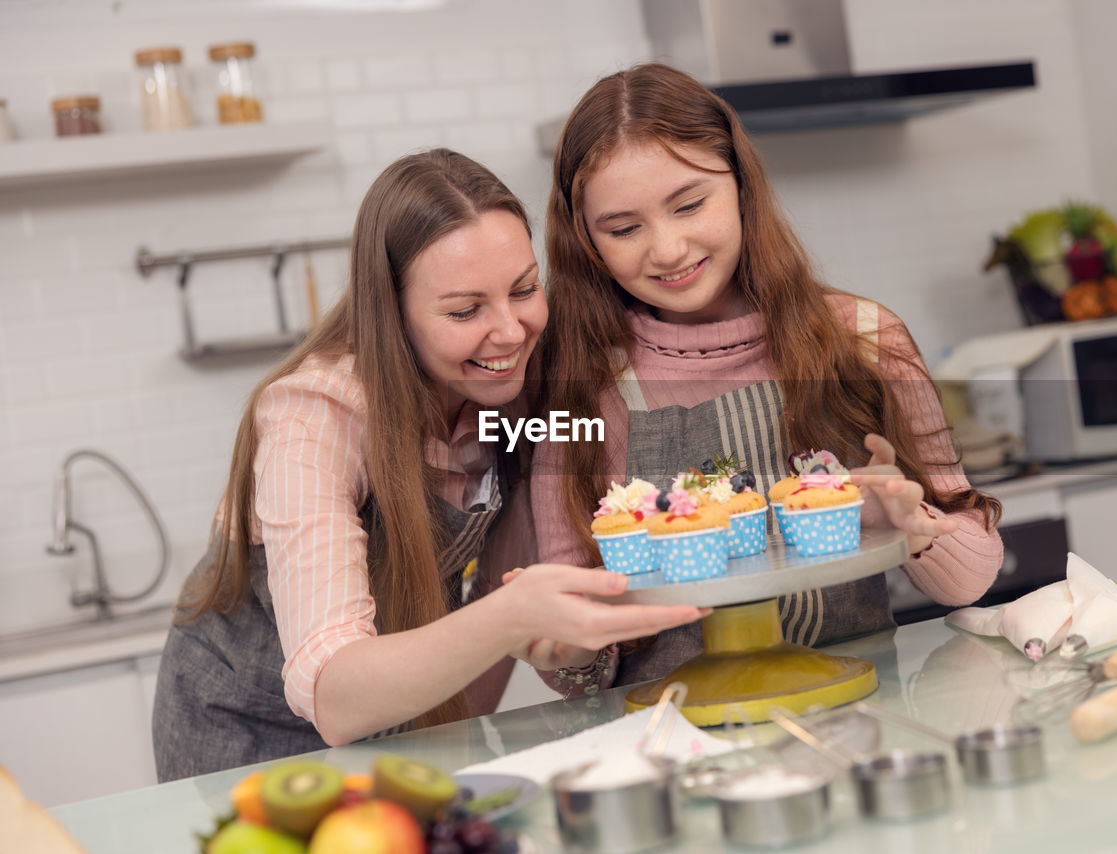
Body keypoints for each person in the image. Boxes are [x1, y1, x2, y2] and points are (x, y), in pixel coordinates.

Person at [151, 149, 707, 781]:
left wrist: (458, 758)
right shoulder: (314, 418)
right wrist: (511, 617)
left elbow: (499, 594)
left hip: (403, 717)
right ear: (394, 316)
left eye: (524, 289)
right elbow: (335, 696)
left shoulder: (523, 387)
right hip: (249, 735)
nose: (509, 333)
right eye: (464, 311)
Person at [530, 64, 1004, 690]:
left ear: (742, 186)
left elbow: (972, 580)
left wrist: (913, 529)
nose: (667, 249)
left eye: (691, 204)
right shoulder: (578, 387)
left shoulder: (864, 338)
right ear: (586, 240)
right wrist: (561, 649)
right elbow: (576, 667)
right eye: (623, 229)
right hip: (682, 745)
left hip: (861, 723)